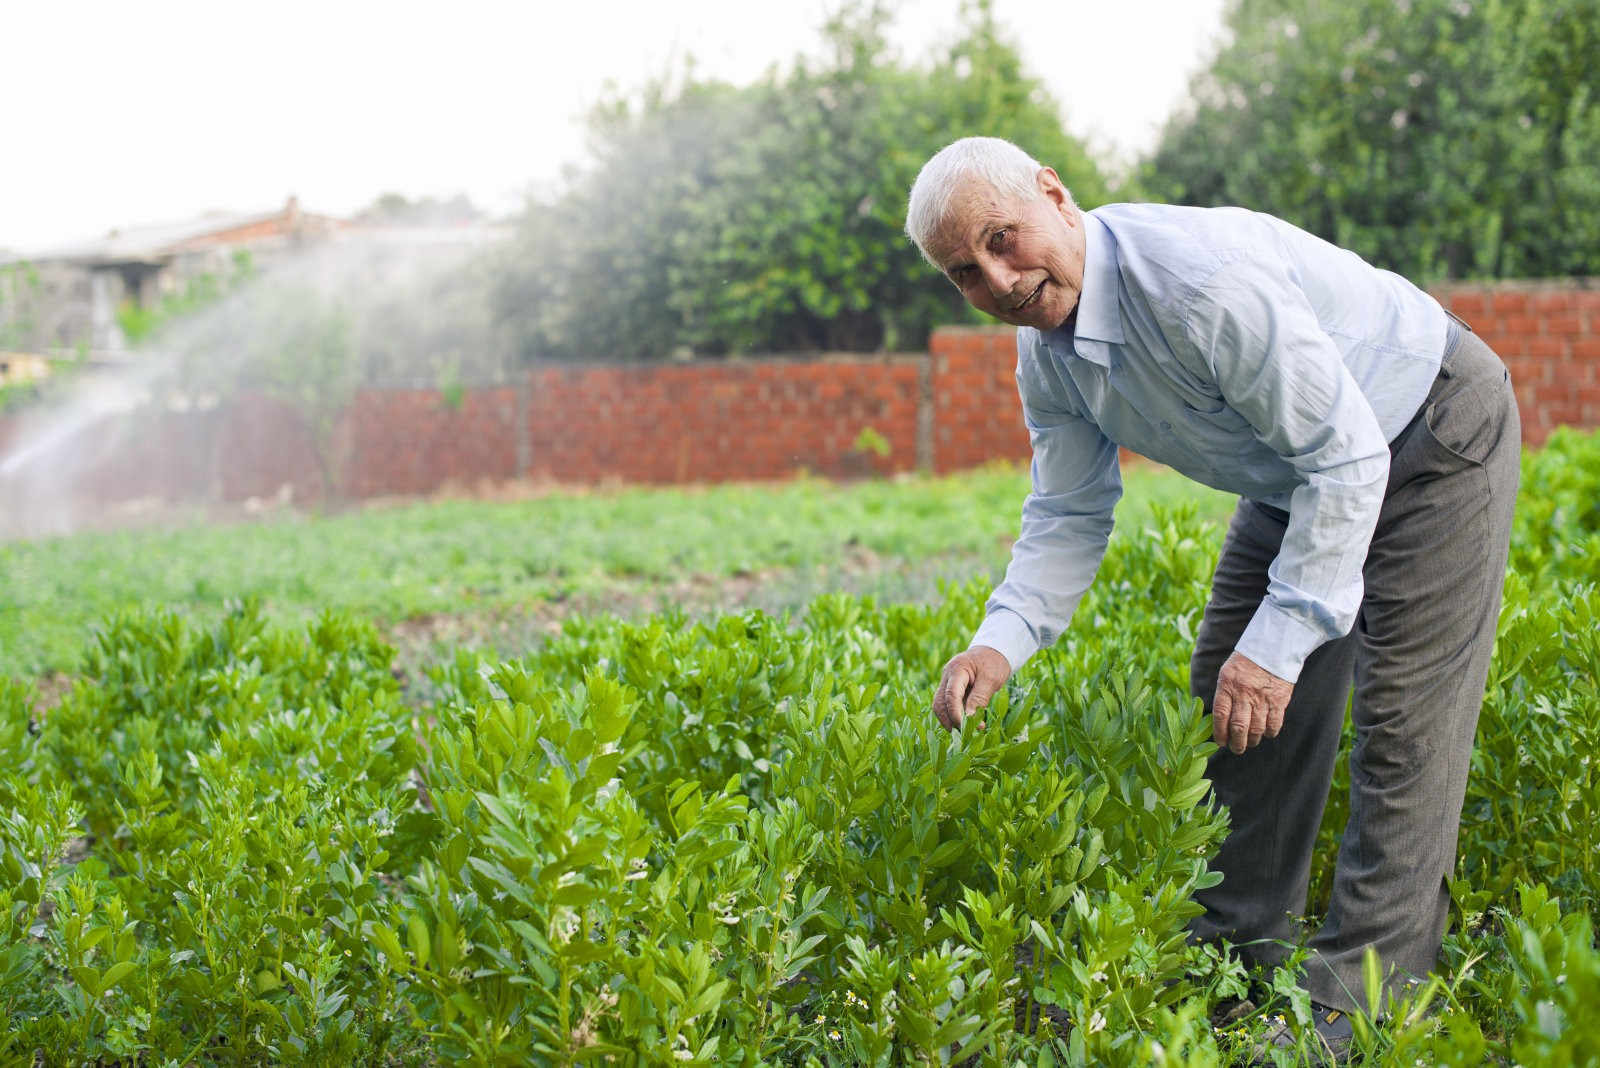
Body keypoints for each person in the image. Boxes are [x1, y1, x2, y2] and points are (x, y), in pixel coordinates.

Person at [908, 136, 1519, 1060]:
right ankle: (1232, 969)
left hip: (1427, 434)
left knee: (1402, 726)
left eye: (1004, 237)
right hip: (1297, 474)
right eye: (965, 270)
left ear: (1055, 195)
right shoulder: (1049, 355)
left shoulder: (1197, 286)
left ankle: (1356, 1010)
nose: (997, 278)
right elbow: (1069, 511)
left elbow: (1352, 459)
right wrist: (1000, 641)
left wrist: (1282, 645)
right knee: (1232, 711)